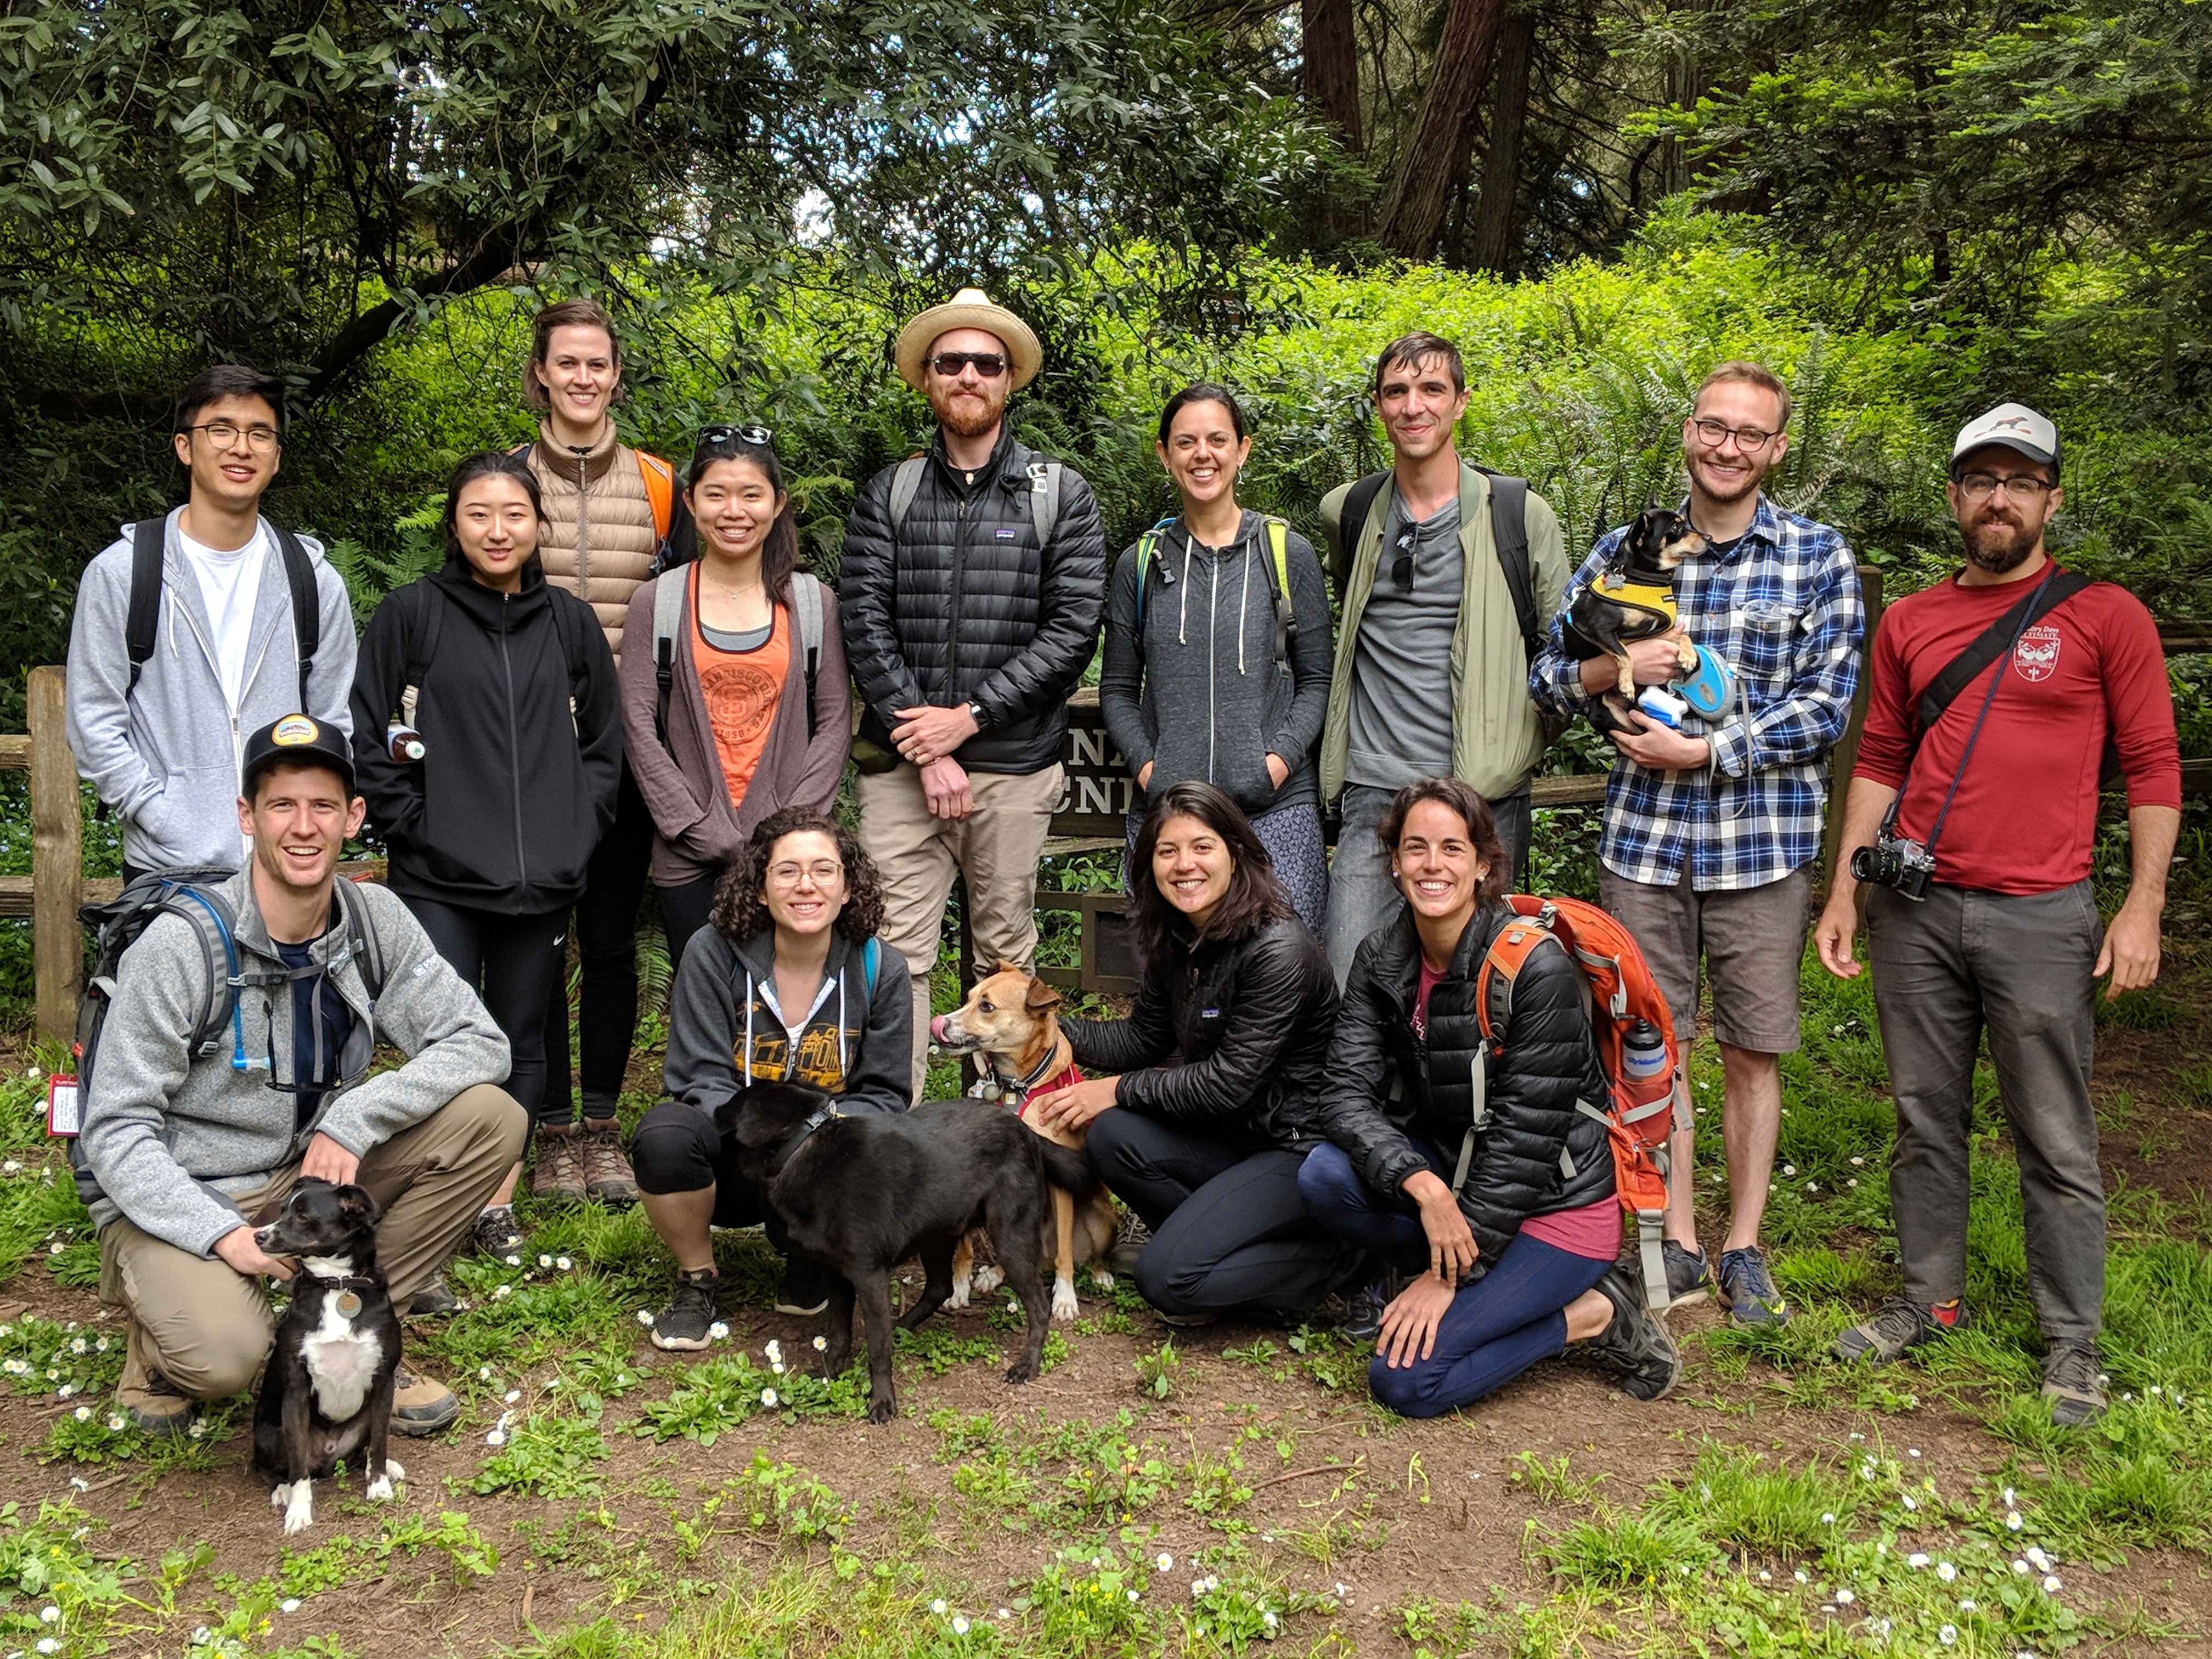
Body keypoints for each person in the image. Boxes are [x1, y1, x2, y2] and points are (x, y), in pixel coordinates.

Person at [1815, 402, 2180, 1427]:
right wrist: (1845, 884)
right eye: (1982, 478)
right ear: (1955, 494)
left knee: (2054, 1133)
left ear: (2050, 499)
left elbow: (2151, 765)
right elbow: (1880, 757)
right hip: (1916, 911)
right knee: (1924, 1117)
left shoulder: (2105, 615)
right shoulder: (1912, 621)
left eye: (2020, 481)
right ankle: (1925, 1297)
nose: (1998, 498)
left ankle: (2073, 1341)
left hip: (2042, 914)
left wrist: (2140, 905)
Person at [1530, 360, 1864, 1328]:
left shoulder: (1815, 556)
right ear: (1688, 432)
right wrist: (1609, 666)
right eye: (1713, 428)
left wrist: (1707, 747)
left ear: (1775, 448)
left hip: (1758, 848)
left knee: (1754, 1047)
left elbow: (1826, 706)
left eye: (1748, 434)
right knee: (1651, 1046)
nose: (1727, 447)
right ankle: (1671, 1236)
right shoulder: (1625, 551)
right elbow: (1549, 677)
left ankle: (1743, 1242)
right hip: (1642, 847)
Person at [80, 714, 524, 1436]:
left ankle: (353, 1332)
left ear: (354, 816)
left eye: (323, 805)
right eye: (282, 805)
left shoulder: (372, 917)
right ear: (247, 816)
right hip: (192, 1189)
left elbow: (478, 1043)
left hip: (309, 1177)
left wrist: (356, 1117)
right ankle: (158, 1347)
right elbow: (117, 1128)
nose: (303, 826)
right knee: (227, 1358)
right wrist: (219, 1234)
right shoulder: (184, 944)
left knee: (491, 1118)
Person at [1297, 778, 1680, 1415]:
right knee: (1323, 1176)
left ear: (1482, 865)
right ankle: (1458, 1270)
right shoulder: (1382, 956)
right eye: (1415, 848)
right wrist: (1423, 1185)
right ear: (1393, 862)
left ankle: (1595, 1312)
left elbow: (1524, 1146)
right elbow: (1342, 1094)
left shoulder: (1534, 968)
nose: (1432, 864)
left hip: (1557, 1207)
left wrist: (1449, 1276)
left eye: (1452, 848)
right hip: (1457, 1177)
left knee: (1404, 1383)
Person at [351, 451, 622, 1293]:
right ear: (455, 525)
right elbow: (370, 738)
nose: (498, 530)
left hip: (543, 879)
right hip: (438, 879)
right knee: (441, 1039)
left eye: (514, 514)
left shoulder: (570, 623)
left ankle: (491, 1202)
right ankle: (429, 1195)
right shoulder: (412, 617)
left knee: (518, 1039)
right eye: (479, 514)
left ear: (539, 524)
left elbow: (605, 749)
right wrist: (414, 831)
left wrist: (577, 835)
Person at [839, 287, 1107, 1099]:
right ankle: (902, 1141)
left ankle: (1000, 1134)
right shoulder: (890, 493)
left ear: (1008, 381)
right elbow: (863, 620)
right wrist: (926, 746)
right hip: (902, 775)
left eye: (984, 364)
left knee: (1006, 959)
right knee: (898, 958)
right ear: (927, 379)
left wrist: (968, 719)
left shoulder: (1059, 494)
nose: (967, 375)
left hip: (1013, 767)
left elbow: (1072, 631)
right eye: (950, 362)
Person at [1026, 782, 1359, 1323]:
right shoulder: (1179, 937)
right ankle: (1223, 1247)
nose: (1186, 865)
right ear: (1150, 864)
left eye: (1202, 847)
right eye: (1168, 851)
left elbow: (1228, 1084)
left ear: (1235, 851)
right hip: (1234, 1137)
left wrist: (1112, 1090)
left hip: (1297, 1149)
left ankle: (1336, 1264)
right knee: (1111, 1136)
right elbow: (1142, 1040)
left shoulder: (1280, 950)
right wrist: (1037, 1025)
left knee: (1167, 1280)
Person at [1317, 332, 1572, 987]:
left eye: (1432, 389)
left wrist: (1522, 743)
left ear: (1460, 402)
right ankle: (1364, 1095)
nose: (1414, 406)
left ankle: (1466, 1096)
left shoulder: (1519, 517)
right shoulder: (1348, 511)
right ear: (1378, 405)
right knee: (1352, 977)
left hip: (1482, 790)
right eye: (1397, 391)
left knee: (1480, 984)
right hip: (1375, 784)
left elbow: (1563, 655)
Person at [518, 298, 686, 1206]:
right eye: (566, 363)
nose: (583, 378)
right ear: (541, 373)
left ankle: (600, 1125)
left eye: (598, 364)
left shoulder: (661, 486)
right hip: (529, 751)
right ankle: (548, 1132)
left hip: (625, 747)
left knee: (612, 938)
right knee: (543, 938)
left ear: (617, 375)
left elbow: (694, 616)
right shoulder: (505, 479)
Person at [629, 808, 912, 1344]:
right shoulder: (713, 954)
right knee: (664, 1135)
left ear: (849, 887)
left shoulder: (882, 969)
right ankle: (696, 1278)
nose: (806, 885)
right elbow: (697, 1076)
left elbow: (886, 1095)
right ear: (760, 889)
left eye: (824, 870)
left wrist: (809, 1143)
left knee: (868, 1142)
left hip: (828, 1166)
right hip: (738, 1156)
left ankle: (810, 1260)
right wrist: (773, 1136)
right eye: (787, 871)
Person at [66, 364, 358, 879]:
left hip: (285, 869)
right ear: (185, 446)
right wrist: (163, 814)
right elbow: (93, 720)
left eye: (260, 434)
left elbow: (332, 718)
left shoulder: (312, 580)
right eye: (220, 429)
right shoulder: (123, 573)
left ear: (277, 456)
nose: (241, 448)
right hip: (167, 871)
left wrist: (303, 821)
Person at [1099, 386, 1333, 937]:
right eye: (1186, 442)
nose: (1202, 454)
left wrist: (1272, 763)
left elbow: (1318, 679)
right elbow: (1118, 689)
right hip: (1171, 818)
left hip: (1274, 812)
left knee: (1283, 968)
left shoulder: (1286, 553)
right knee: (1176, 979)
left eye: (1217, 440)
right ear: (1164, 454)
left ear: (1242, 450)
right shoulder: (1142, 564)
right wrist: (1154, 770)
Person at [619, 426, 850, 972]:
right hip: (688, 853)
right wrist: (698, 826)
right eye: (717, 493)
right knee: (705, 1008)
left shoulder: (814, 605)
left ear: (778, 503)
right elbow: (637, 720)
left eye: (751, 494)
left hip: (791, 862)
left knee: (788, 1007)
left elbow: (836, 718)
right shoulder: (657, 602)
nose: (734, 511)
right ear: (691, 501)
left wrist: (786, 831)